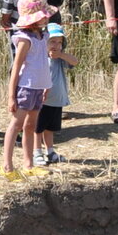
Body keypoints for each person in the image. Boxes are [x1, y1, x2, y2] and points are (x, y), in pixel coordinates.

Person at [2, 0, 53, 181]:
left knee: (31, 126)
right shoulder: (24, 39)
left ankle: (28, 164)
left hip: (39, 87)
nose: (47, 17)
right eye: (43, 15)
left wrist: (47, 85)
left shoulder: (44, 35)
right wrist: (11, 96)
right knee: (16, 126)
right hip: (26, 88)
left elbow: (43, 62)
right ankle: (7, 166)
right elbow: (16, 67)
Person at [37, 23, 77, 165]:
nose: (56, 45)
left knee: (50, 128)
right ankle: (37, 153)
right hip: (42, 100)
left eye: (59, 42)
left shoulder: (60, 59)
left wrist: (61, 54)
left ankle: (50, 152)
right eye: (52, 41)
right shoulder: (40, 57)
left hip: (56, 100)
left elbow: (75, 62)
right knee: (38, 128)